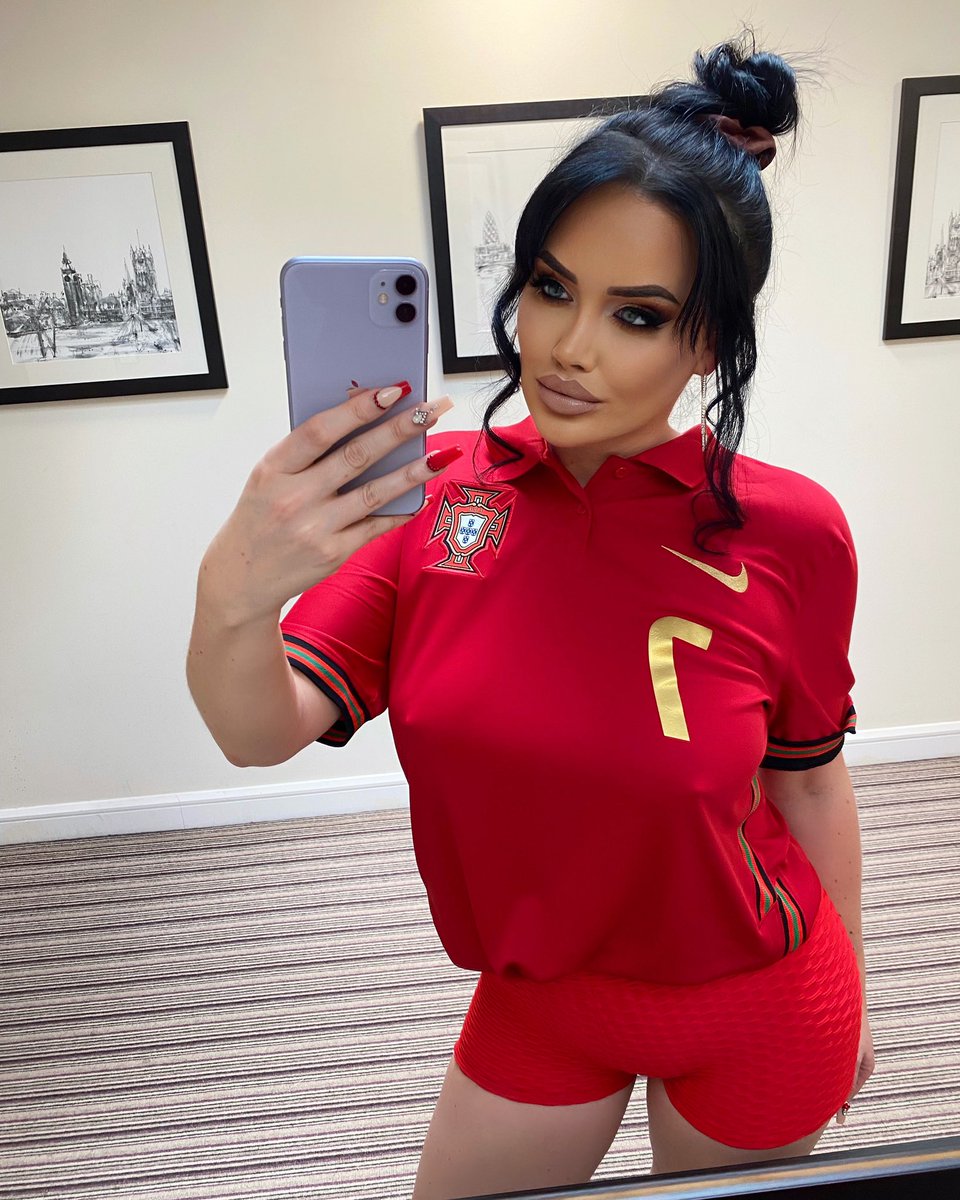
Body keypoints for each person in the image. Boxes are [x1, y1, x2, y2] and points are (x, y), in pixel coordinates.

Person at [187, 30, 876, 1200]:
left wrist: (856, 985)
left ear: (711, 343)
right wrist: (233, 594)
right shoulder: (437, 495)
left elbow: (807, 781)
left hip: (758, 1002)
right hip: (540, 996)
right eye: (552, 288)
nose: (567, 347)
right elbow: (259, 730)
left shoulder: (792, 533)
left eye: (638, 315)